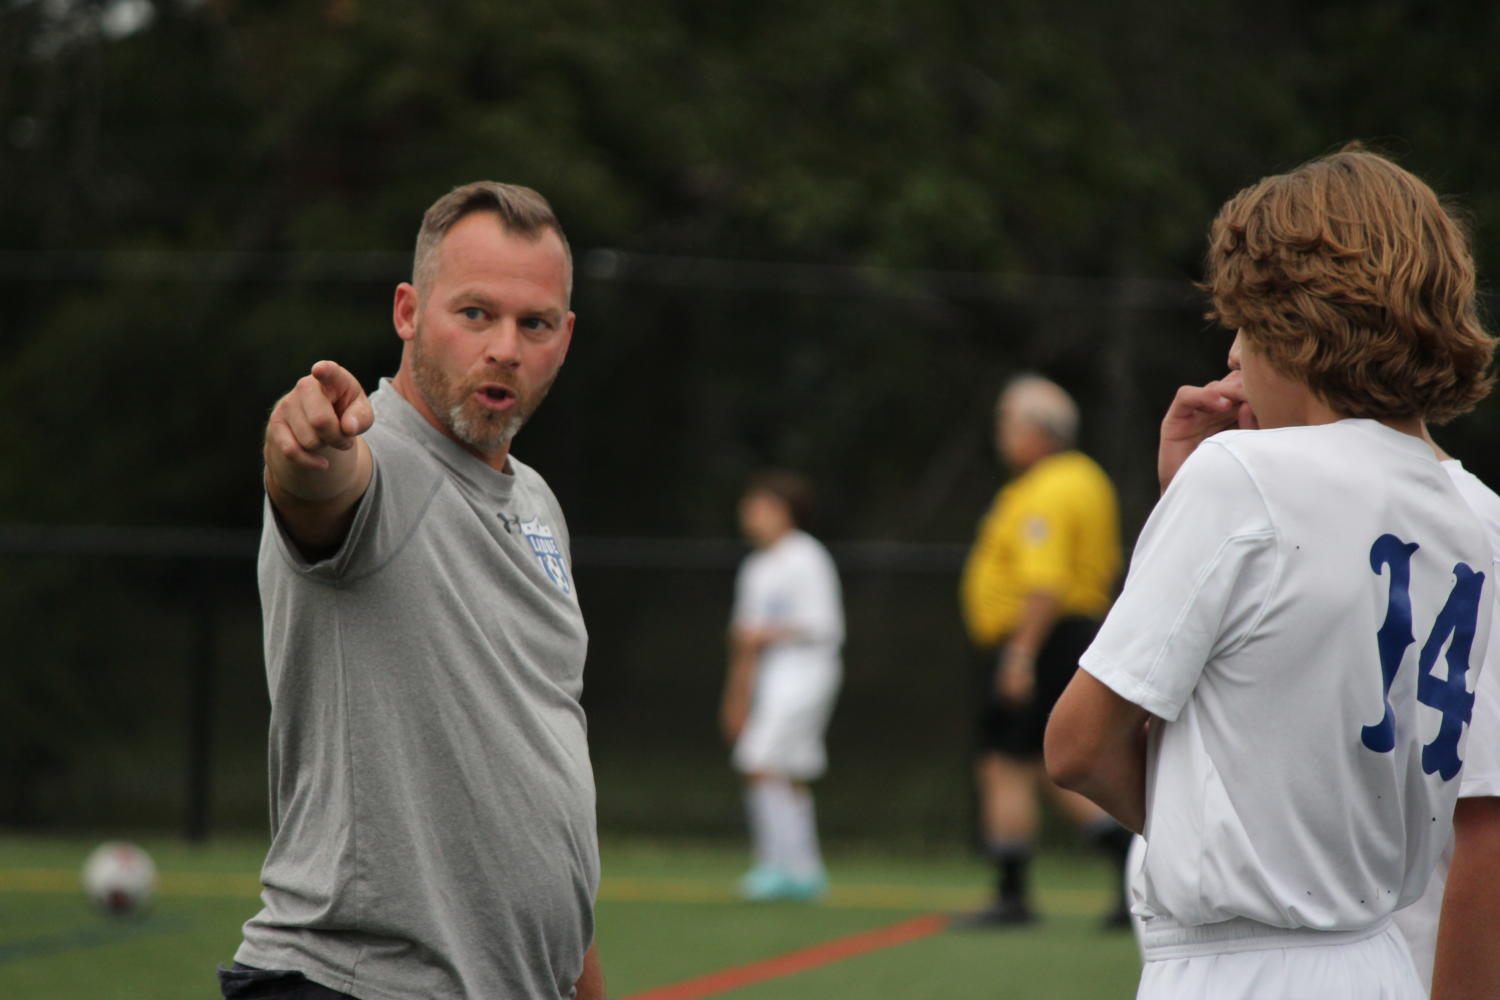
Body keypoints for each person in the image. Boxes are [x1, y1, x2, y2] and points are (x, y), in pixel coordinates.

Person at [1045, 146, 1496, 999]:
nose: (1234, 365)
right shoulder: (1473, 517)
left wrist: (1203, 831)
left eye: (1243, 331)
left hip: (1242, 968)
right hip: (1380, 961)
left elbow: (1077, 747)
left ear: (1291, 327)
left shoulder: (1243, 481)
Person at [221, 182, 604, 1000]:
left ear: (564, 338)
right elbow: (318, 482)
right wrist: (301, 445)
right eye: (475, 314)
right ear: (408, 311)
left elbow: (546, 768)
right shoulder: (374, 460)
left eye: (533, 323)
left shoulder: (538, 503)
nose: (504, 345)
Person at [955, 375, 1129, 927]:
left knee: (1009, 763)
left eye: (1008, 422)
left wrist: (1020, 654)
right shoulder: (1082, 479)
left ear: (1039, 431)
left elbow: (1045, 581)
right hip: (1069, 632)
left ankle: (1012, 892)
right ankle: (1130, 871)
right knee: (1051, 763)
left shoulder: (1049, 487)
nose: (1001, 433)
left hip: (1042, 636)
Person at [719, 471, 844, 901]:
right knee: (787, 768)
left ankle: (776, 864)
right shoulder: (756, 567)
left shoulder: (806, 557)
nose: (752, 516)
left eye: (762, 507)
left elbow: (823, 626)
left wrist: (766, 635)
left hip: (808, 670)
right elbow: (743, 640)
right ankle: (806, 869)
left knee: (759, 759)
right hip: (775, 676)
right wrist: (736, 698)